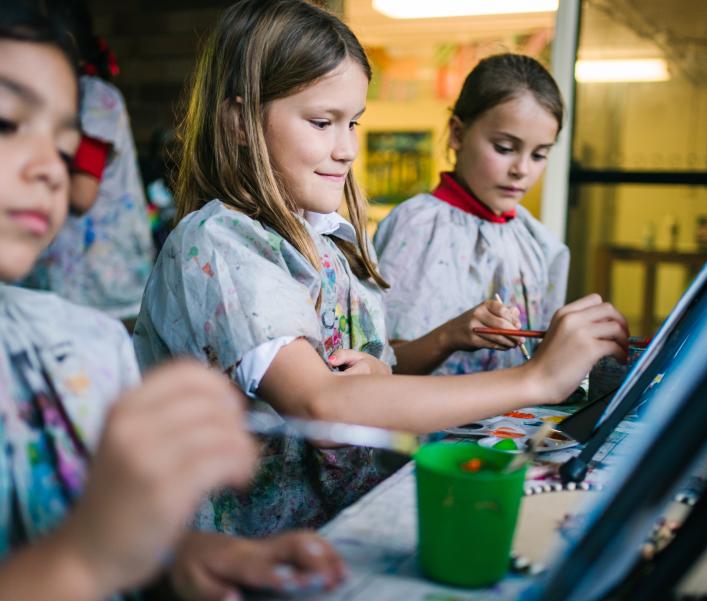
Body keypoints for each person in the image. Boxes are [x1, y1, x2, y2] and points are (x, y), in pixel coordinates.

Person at [134, 0, 628, 538]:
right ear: (239, 121)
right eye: (323, 122)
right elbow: (321, 403)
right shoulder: (217, 243)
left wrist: (384, 372)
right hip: (244, 561)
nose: (347, 149)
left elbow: (359, 381)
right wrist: (537, 377)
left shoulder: (328, 241)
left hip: (333, 536)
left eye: (354, 123)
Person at [0, 6, 344, 601]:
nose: (50, 172)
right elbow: (87, 551)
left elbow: (115, 558)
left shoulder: (84, 347)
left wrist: (191, 559)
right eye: (7, 124)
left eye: (66, 149)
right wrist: (89, 553)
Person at [375, 53, 569, 376]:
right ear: (458, 134)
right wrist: (451, 335)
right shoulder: (416, 227)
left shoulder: (538, 241)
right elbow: (380, 369)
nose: (522, 170)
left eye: (539, 155)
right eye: (505, 148)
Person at [22, 0, 154, 330]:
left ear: (65, 44)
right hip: (73, 278)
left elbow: (82, 193)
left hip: (99, 278)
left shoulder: (94, 98)